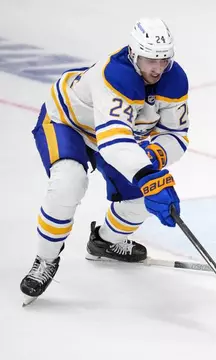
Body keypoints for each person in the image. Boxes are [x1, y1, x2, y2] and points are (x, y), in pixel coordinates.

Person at [20, 18, 187, 304]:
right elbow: (114, 142)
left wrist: (154, 159)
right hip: (67, 123)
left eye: (164, 59)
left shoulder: (174, 79)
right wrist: (147, 174)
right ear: (134, 53)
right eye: (150, 59)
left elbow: (176, 135)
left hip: (114, 138)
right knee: (68, 183)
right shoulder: (116, 74)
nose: (158, 68)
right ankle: (45, 259)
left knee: (140, 200)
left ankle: (104, 242)